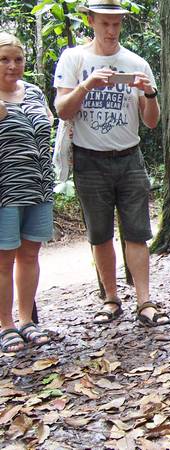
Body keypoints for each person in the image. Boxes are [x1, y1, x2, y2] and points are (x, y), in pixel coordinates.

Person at [53, 0, 170, 327]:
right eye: (104, 23)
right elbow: (62, 109)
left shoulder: (136, 63)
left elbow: (150, 122)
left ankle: (145, 302)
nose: (110, 30)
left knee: (136, 232)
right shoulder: (74, 59)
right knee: (100, 234)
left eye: (116, 24)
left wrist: (150, 95)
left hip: (129, 158)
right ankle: (110, 299)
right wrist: (87, 84)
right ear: (91, 20)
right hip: (89, 159)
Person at [0, 33, 55, 353]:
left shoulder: (33, 91)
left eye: (17, 59)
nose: (12, 65)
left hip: (39, 186)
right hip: (5, 190)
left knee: (31, 255)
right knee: (4, 259)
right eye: (4, 59)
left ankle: (26, 321)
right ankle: (5, 325)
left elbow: (47, 126)